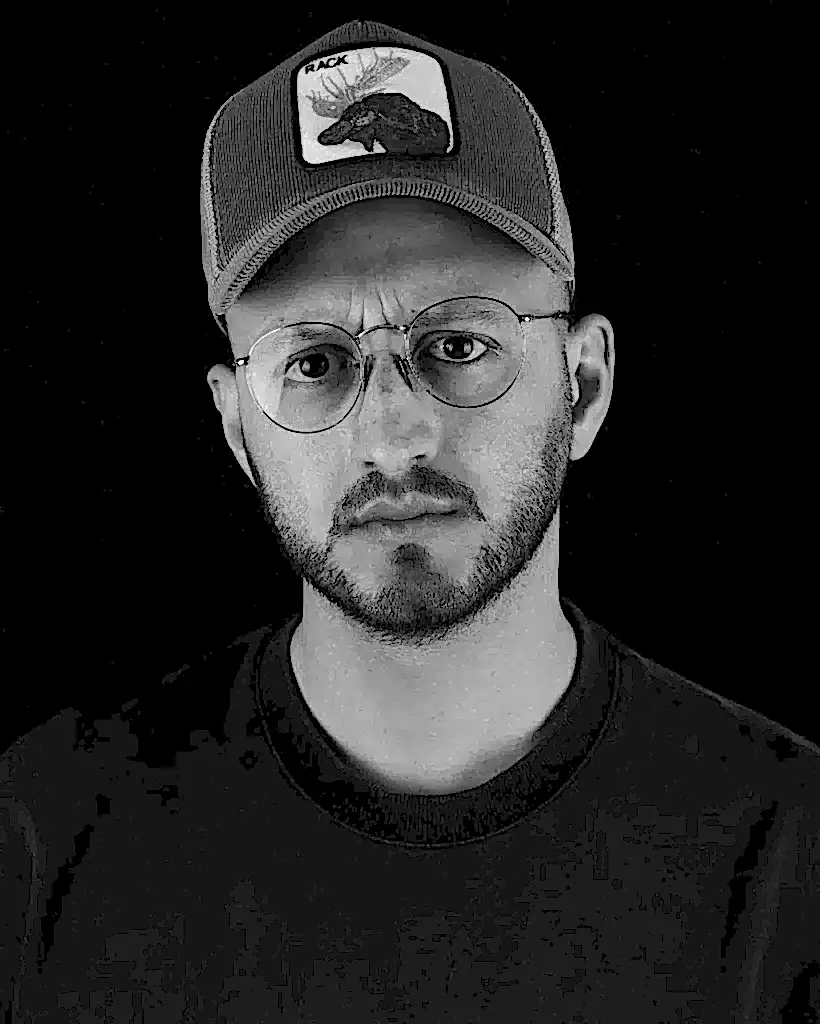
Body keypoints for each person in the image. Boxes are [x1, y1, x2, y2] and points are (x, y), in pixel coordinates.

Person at [2, 19, 817, 1021]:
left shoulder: (793, 862)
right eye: (313, 362)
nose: (394, 436)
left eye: (459, 344)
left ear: (584, 385)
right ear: (237, 428)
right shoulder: (39, 845)